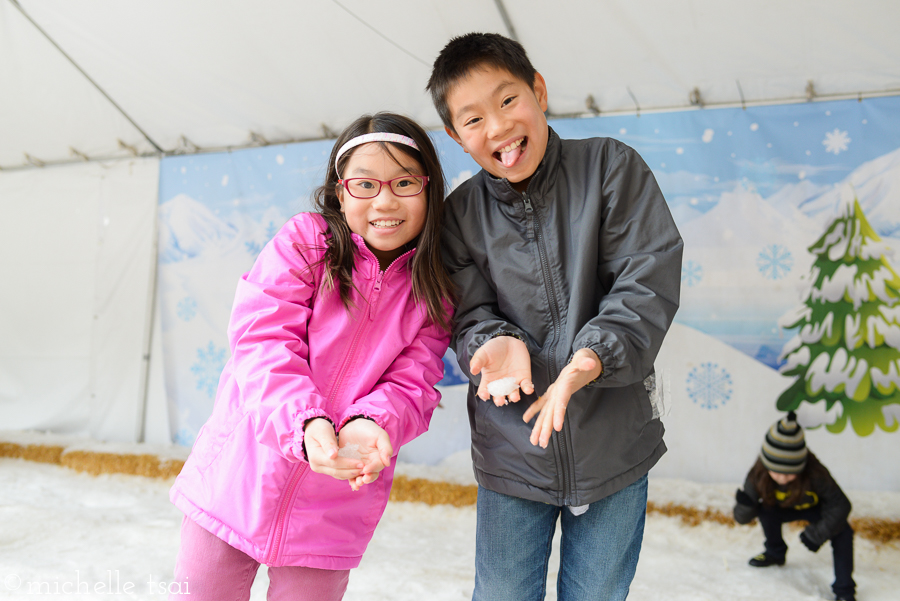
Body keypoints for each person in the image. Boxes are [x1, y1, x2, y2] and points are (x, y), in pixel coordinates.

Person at [427, 32, 683, 601]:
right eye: (472, 120)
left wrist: (587, 362)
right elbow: (467, 314)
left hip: (613, 444)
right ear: (454, 136)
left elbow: (647, 280)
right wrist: (492, 342)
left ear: (538, 91)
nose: (496, 128)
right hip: (511, 451)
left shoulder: (611, 167)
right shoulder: (459, 215)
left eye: (507, 101)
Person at [168, 112, 454, 601]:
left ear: (429, 189)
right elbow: (263, 342)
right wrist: (306, 424)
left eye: (405, 182)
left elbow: (415, 382)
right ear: (341, 193)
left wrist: (373, 424)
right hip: (238, 477)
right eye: (365, 184)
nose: (385, 200)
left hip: (334, 505)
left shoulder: (434, 289)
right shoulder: (306, 243)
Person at [734, 411, 856, 601]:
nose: (782, 478)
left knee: (844, 531)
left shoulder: (816, 472)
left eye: (790, 473)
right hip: (780, 509)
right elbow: (741, 519)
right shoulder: (757, 473)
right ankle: (775, 552)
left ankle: (844, 590)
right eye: (776, 472)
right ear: (766, 464)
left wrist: (818, 533)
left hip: (816, 510)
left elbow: (841, 505)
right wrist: (746, 507)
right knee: (766, 512)